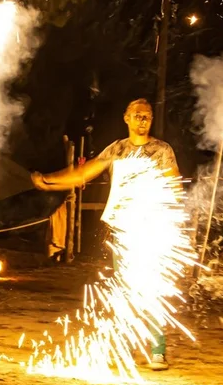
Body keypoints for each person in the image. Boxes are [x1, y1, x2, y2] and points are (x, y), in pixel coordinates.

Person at [31, 98, 179, 370]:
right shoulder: (117, 150)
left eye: (146, 116)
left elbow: (174, 185)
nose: (142, 120)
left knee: (150, 289)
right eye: (137, 115)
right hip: (122, 228)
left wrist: (174, 220)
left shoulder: (161, 151)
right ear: (127, 119)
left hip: (150, 227)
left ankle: (157, 350)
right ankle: (125, 346)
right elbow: (84, 173)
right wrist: (48, 181)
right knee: (124, 290)